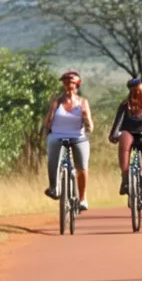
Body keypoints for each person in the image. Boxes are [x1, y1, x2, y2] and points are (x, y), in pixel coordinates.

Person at [43, 70, 94, 211]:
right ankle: (54, 187)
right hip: (57, 135)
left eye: (71, 82)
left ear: (77, 84)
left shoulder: (83, 102)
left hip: (78, 136)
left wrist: (85, 117)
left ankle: (82, 198)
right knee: (53, 158)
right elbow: (47, 123)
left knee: (82, 166)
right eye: (65, 82)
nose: (68, 85)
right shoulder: (56, 101)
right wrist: (50, 115)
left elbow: (90, 126)